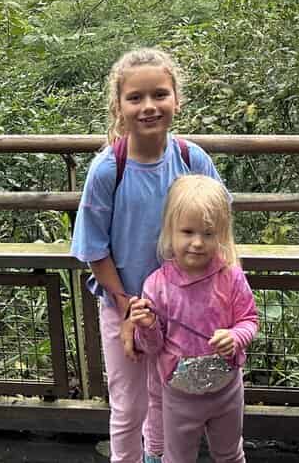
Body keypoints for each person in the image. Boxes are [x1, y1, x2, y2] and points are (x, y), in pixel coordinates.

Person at [71, 49, 225, 463]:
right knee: (129, 404)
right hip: (124, 304)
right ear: (118, 106)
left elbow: (220, 230)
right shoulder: (108, 170)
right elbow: (93, 249)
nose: (149, 106)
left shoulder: (193, 160)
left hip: (182, 308)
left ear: (177, 99)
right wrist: (125, 306)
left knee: (167, 400)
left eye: (160, 94)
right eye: (135, 97)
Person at [129, 174, 258, 463]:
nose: (197, 243)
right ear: (170, 232)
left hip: (227, 390)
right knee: (178, 458)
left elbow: (249, 320)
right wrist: (146, 327)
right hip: (178, 394)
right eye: (188, 232)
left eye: (208, 234)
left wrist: (236, 337)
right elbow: (151, 348)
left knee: (230, 454)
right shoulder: (157, 285)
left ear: (221, 234)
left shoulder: (231, 277)